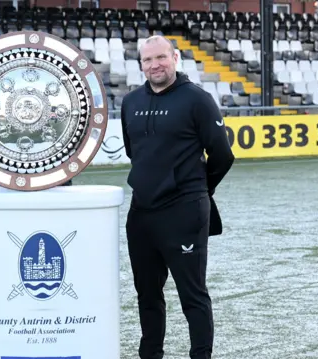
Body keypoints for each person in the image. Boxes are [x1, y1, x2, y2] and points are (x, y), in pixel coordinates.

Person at [120, 35, 235, 359]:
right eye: (147, 60)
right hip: (141, 214)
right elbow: (136, 153)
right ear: (140, 64)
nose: (155, 65)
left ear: (175, 58)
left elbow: (222, 155)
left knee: (192, 295)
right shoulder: (131, 102)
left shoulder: (197, 99)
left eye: (161, 58)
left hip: (184, 212)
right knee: (147, 293)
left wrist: (197, 189)